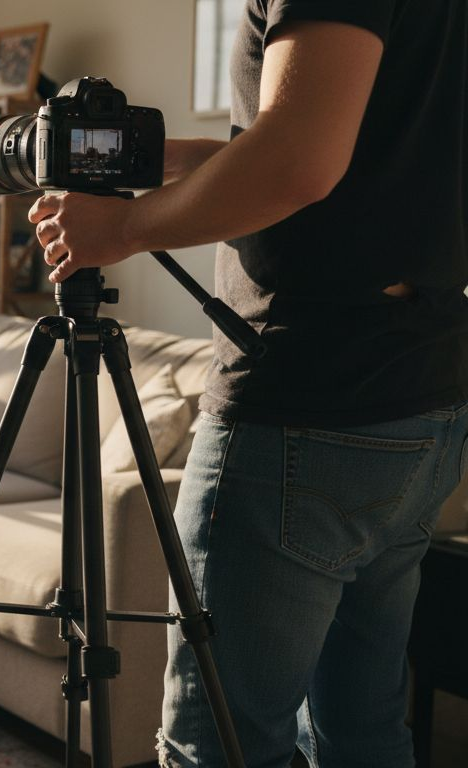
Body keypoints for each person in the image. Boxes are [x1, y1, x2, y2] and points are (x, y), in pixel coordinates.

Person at [27, 1, 467, 766]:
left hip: (306, 406)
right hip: (420, 397)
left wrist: (124, 230)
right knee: (362, 732)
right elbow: (363, 157)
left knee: (220, 744)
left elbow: (299, 159)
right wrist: (165, 158)